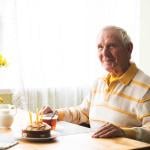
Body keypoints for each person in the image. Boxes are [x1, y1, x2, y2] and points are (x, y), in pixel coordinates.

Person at [40, 26, 150, 143]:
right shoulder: (99, 82)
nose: (105, 53)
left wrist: (123, 132)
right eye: (100, 47)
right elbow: (83, 113)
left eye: (111, 46)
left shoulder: (146, 88)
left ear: (129, 48)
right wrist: (55, 114)